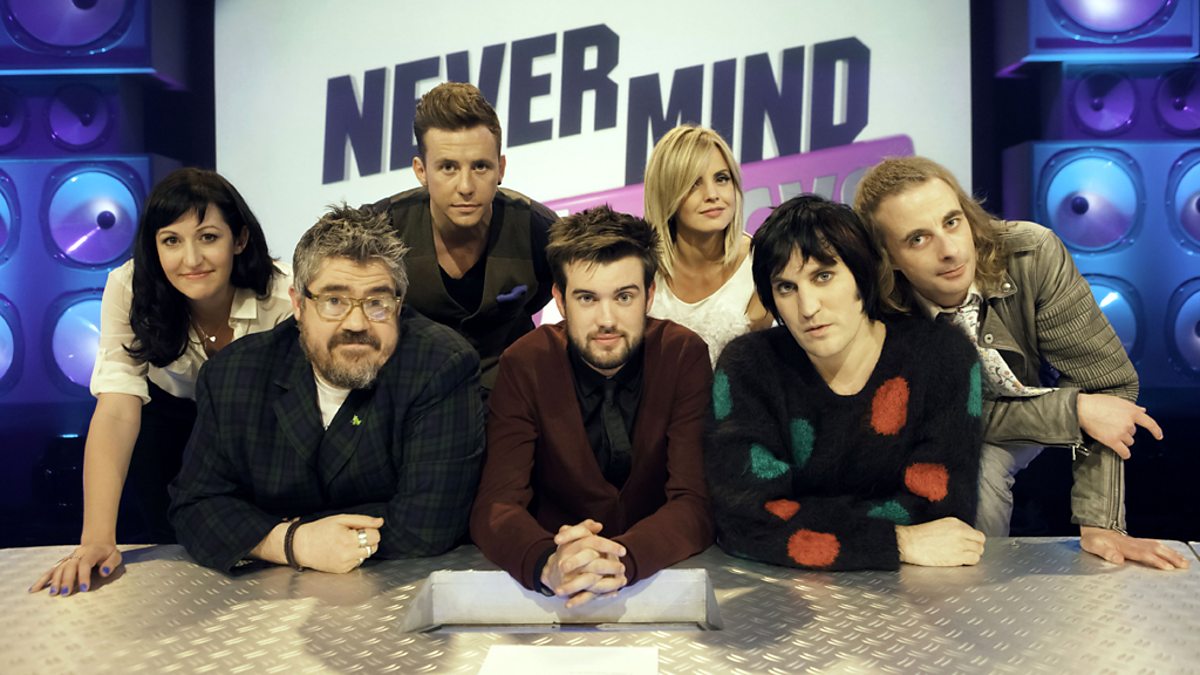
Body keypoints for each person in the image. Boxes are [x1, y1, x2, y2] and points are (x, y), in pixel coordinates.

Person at [854, 155, 1189, 570]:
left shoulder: (1030, 253)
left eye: (952, 222)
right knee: (974, 475)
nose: (950, 251)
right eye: (918, 239)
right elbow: (935, 422)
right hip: (945, 435)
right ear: (889, 258)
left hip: (1029, 399)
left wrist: (1101, 524)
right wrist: (1072, 412)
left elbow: (1106, 386)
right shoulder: (880, 309)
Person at [167, 204, 484, 573]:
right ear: (299, 305)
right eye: (334, 301)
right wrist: (293, 541)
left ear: (399, 305)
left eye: (377, 303)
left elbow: (429, 523)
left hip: (397, 584)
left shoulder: (441, 365)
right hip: (269, 591)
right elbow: (196, 506)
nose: (357, 323)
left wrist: (263, 525)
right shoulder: (233, 375)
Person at [30, 168, 292, 597]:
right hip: (166, 417)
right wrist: (96, 540)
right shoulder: (130, 288)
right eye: (171, 240)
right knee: (172, 549)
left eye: (208, 237)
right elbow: (117, 410)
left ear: (240, 239)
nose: (191, 259)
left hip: (257, 423)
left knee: (257, 557)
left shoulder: (284, 295)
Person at [707, 195, 985, 570]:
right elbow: (742, 519)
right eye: (786, 287)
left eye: (823, 277)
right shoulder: (750, 366)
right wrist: (896, 541)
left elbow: (942, 514)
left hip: (916, 593)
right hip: (785, 592)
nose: (808, 308)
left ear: (862, 274)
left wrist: (804, 519)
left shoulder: (941, 357)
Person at [471, 205, 713, 607]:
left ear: (649, 296)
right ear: (560, 300)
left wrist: (622, 558)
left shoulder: (683, 354)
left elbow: (695, 503)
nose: (607, 320)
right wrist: (548, 562)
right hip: (555, 588)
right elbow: (495, 505)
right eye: (587, 298)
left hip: (660, 580)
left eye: (624, 296)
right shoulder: (524, 362)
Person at [369, 82, 556, 393]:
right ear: (421, 171)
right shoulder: (379, 230)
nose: (466, 187)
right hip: (408, 397)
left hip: (511, 397)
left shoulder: (539, 230)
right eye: (448, 168)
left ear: (501, 168)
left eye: (480, 166)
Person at [644, 125, 771, 365]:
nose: (712, 194)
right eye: (694, 183)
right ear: (666, 193)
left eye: (722, 179)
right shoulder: (642, 271)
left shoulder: (765, 265)